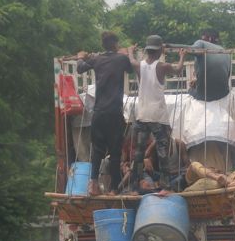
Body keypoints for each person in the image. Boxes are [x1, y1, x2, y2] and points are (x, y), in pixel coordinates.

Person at [77, 31, 132, 196]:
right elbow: (131, 69)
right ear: (115, 44)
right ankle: (114, 189)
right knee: (115, 153)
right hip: (115, 113)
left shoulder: (97, 59)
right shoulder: (121, 59)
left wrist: (81, 56)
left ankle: (93, 184)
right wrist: (126, 52)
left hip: (99, 112)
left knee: (97, 150)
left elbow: (80, 68)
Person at [128, 35, 185, 191]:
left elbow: (131, 60)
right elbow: (178, 69)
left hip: (142, 115)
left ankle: (134, 187)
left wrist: (130, 51)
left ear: (147, 51)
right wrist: (182, 56)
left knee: (139, 153)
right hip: (158, 116)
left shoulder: (138, 65)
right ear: (160, 50)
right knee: (162, 152)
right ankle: (165, 186)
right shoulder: (162, 66)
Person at [169, 29, 231, 102]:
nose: (201, 40)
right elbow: (227, 75)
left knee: (190, 90)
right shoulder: (225, 51)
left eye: (203, 38)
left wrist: (167, 45)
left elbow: (190, 49)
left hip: (205, 95)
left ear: (209, 38)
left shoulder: (202, 43)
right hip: (223, 94)